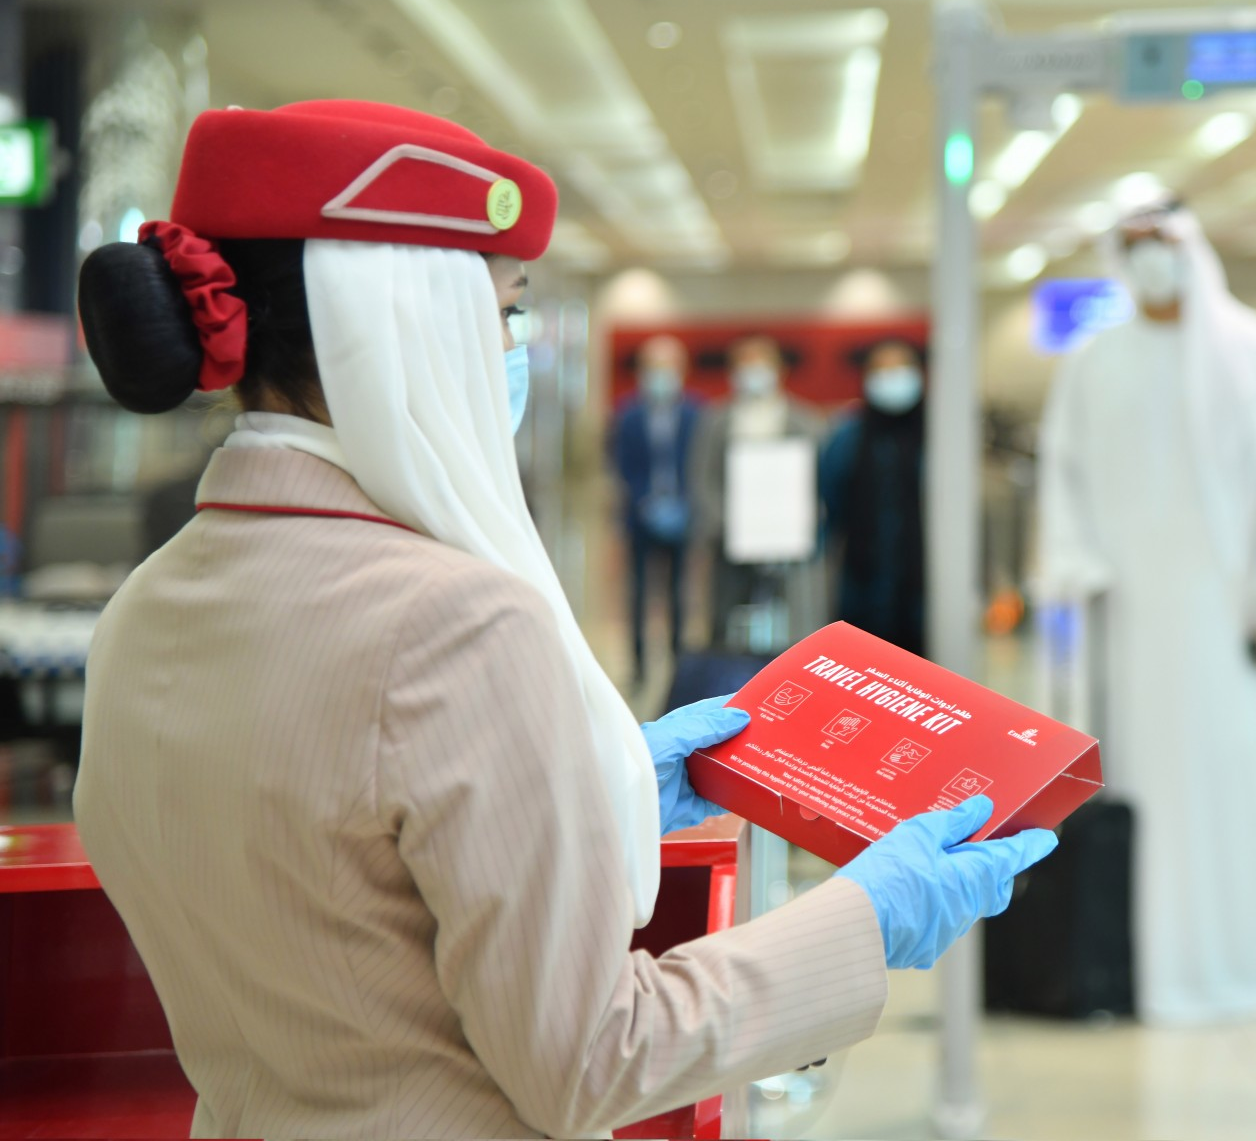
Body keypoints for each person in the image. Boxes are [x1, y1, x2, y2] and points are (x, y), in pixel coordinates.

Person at [70, 100, 1055, 1139]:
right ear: (416, 325)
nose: (513, 350)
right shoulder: (457, 624)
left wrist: (594, 788)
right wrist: (865, 915)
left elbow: (343, 880)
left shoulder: (143, 609)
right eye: (506, 314)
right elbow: (594, 1060)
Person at [1037, 199, 1256, 1025]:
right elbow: (1063, 482)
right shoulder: (1091, 364)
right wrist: (1073, 576)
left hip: (1227, 631)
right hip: (1130, 632)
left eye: (1162, 242)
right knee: (1141, 797)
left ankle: (1239, 967)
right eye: (1133, 246)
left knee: (1231, 793)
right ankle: (1142, 974)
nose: (1150, 258)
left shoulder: (1255, 357)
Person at [690, 335, 827, 648]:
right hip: (730, 542)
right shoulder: (715, 420)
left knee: (791, 621)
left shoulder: (805, 420)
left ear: (779, 369)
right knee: (728, 622)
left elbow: (819, 480)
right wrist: (725, 524)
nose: (754, 373)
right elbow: (702, 477)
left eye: (761, 364)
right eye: (745, 365)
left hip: (791, 545)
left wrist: (804, 522)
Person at [820, 340, 927, 656]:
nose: (892, 378)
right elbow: (830, 497)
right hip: (862, 574)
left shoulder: (938, 432)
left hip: (924, 580)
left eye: (900, 368)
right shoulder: (848, 436)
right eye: (882, 370)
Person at [610, 335, 701, 685]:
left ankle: (679, 663)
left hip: (683, 513)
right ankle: (638, 666)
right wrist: (644, 501)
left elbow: (699, 463)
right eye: (654, 367)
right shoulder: (628, 414)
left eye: (668, 367)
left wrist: (686, 503)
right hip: (640, 516)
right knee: (639, 593)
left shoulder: (696, 412)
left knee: (679, 592)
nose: (661, 375)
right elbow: (621, 464)